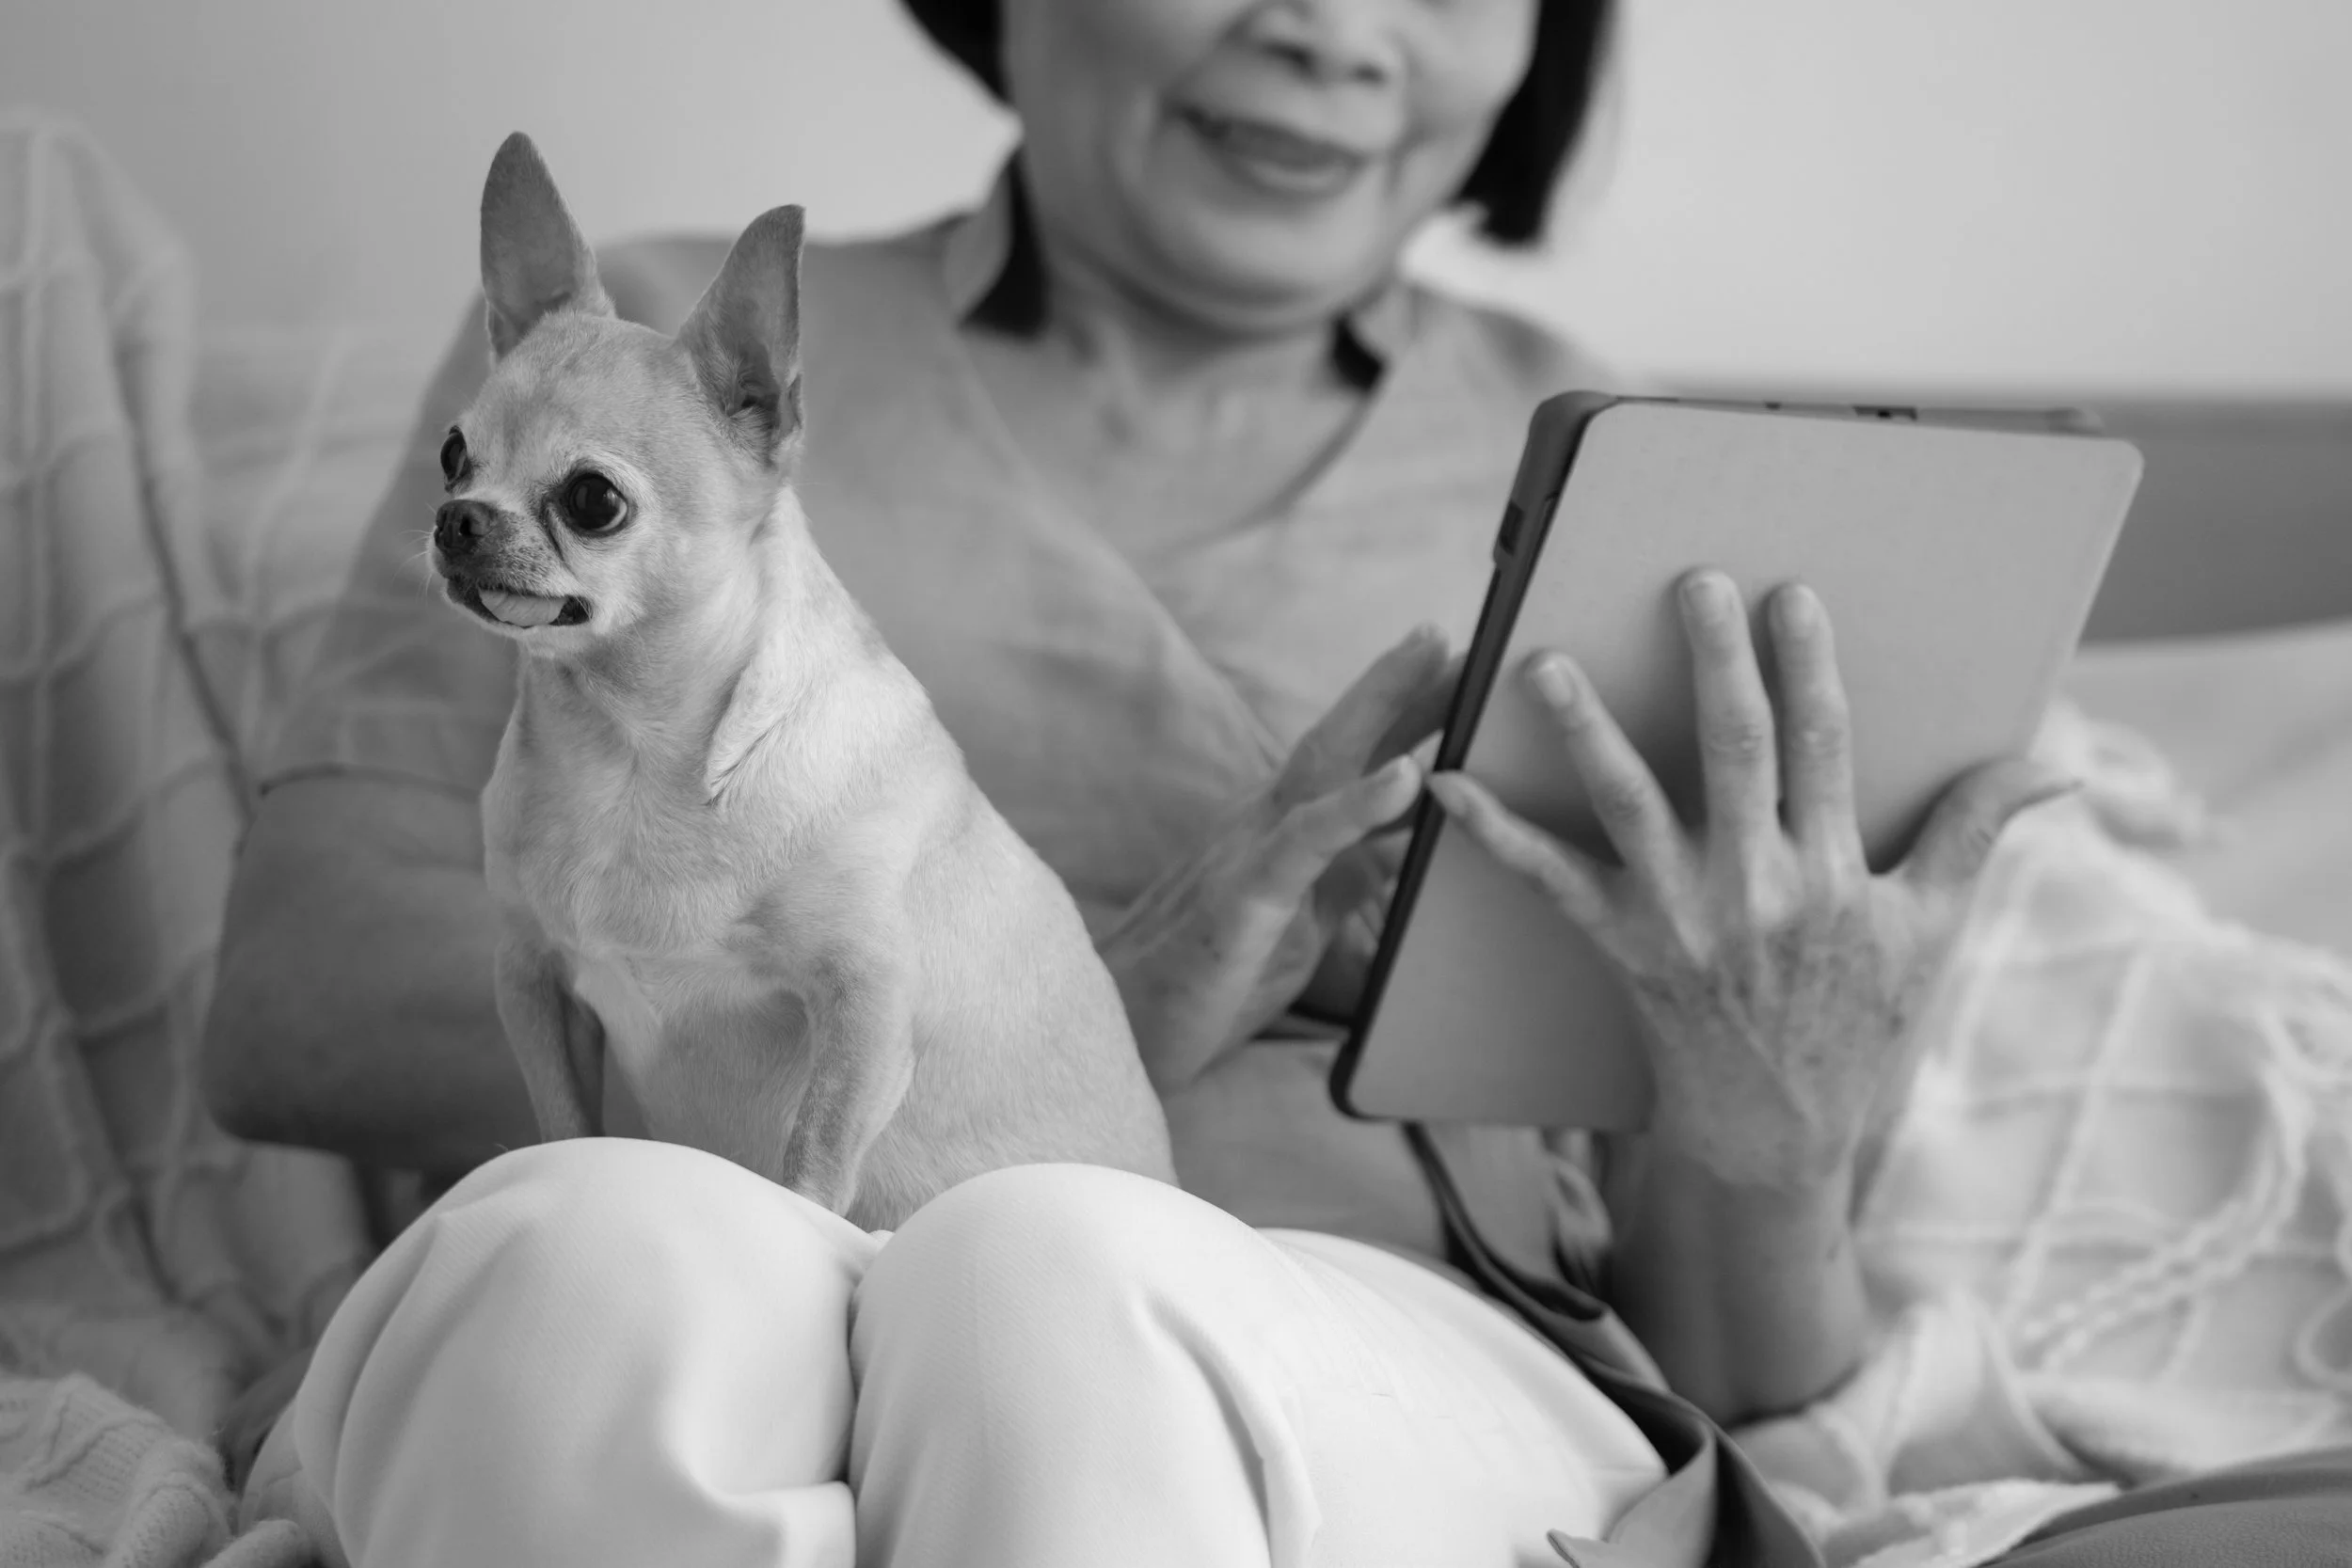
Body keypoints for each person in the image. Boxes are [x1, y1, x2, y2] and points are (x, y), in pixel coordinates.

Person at [203, 2, 2352, 1564]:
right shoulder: (628, 359)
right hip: (720, 1257)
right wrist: (1057, 1010)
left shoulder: (1659, 495)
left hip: (1381, 1366)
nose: (1331, 28)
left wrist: (1767, 1102)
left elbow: (1754, 1364)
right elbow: (291, 995)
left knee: (1044, 1276)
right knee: (589, 1252)